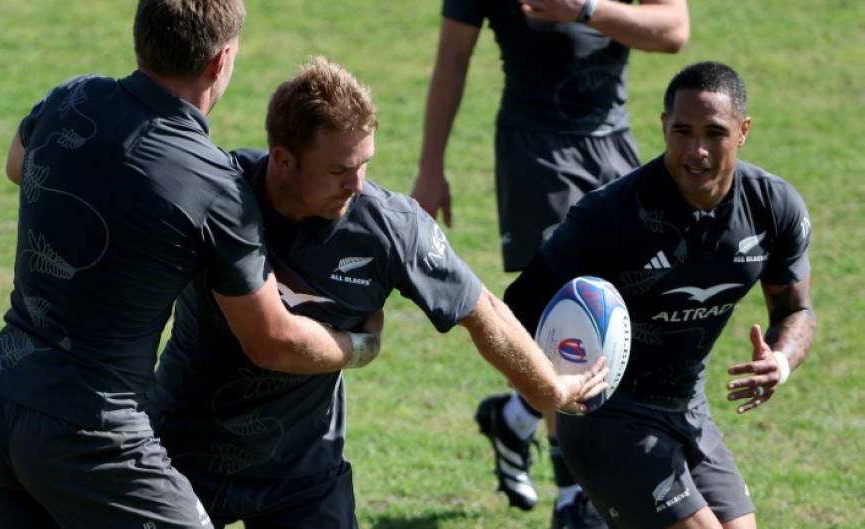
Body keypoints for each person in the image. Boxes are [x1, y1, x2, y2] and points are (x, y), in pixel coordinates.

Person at [0, 3, 383, 528]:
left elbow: (18, 165)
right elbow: (270, 339)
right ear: (221, 59)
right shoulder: (213, 187)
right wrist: (359, 347)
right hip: (93, 435)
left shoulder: (74, 97)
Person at [148, 56, 608, 529]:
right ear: (284, 160)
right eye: (339, 171)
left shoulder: (389, 226)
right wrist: (362, 347)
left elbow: (482, 308)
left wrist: (549, 389)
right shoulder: (220, 195)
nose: (357, 185)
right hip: (182, 454)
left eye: (365, 163)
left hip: (302, 475)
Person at [500, 61, 816, 529]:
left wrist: (781, 361)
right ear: (664, 125)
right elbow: (514, 313)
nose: (697, 150)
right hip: (608, 417)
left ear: (743, 130)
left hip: (688, 409)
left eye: (714, 133)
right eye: (683, 131)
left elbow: (796, 310)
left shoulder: (773, 207)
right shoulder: (608, 215)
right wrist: (548, 382)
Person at [411, 0, 690, 524]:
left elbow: (673, 31)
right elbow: (452, 57)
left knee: (624, 317)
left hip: (614, 144)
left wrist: (583, 9)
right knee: (566, 316)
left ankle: (515, 418)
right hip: (536, 152)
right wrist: (431, 167)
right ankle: (573, 499)